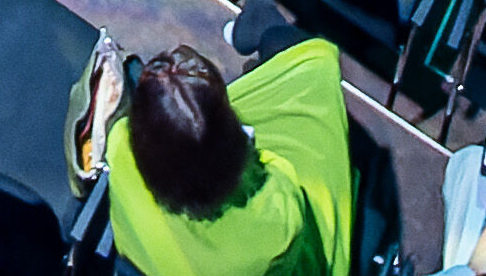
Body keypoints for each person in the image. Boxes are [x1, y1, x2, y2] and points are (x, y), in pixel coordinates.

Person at [93, 32, 362, 276]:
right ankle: (253, 23)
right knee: (316, 67)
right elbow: (281, 172)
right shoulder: (276, 226)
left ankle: (252, 24)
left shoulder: (119, 148)